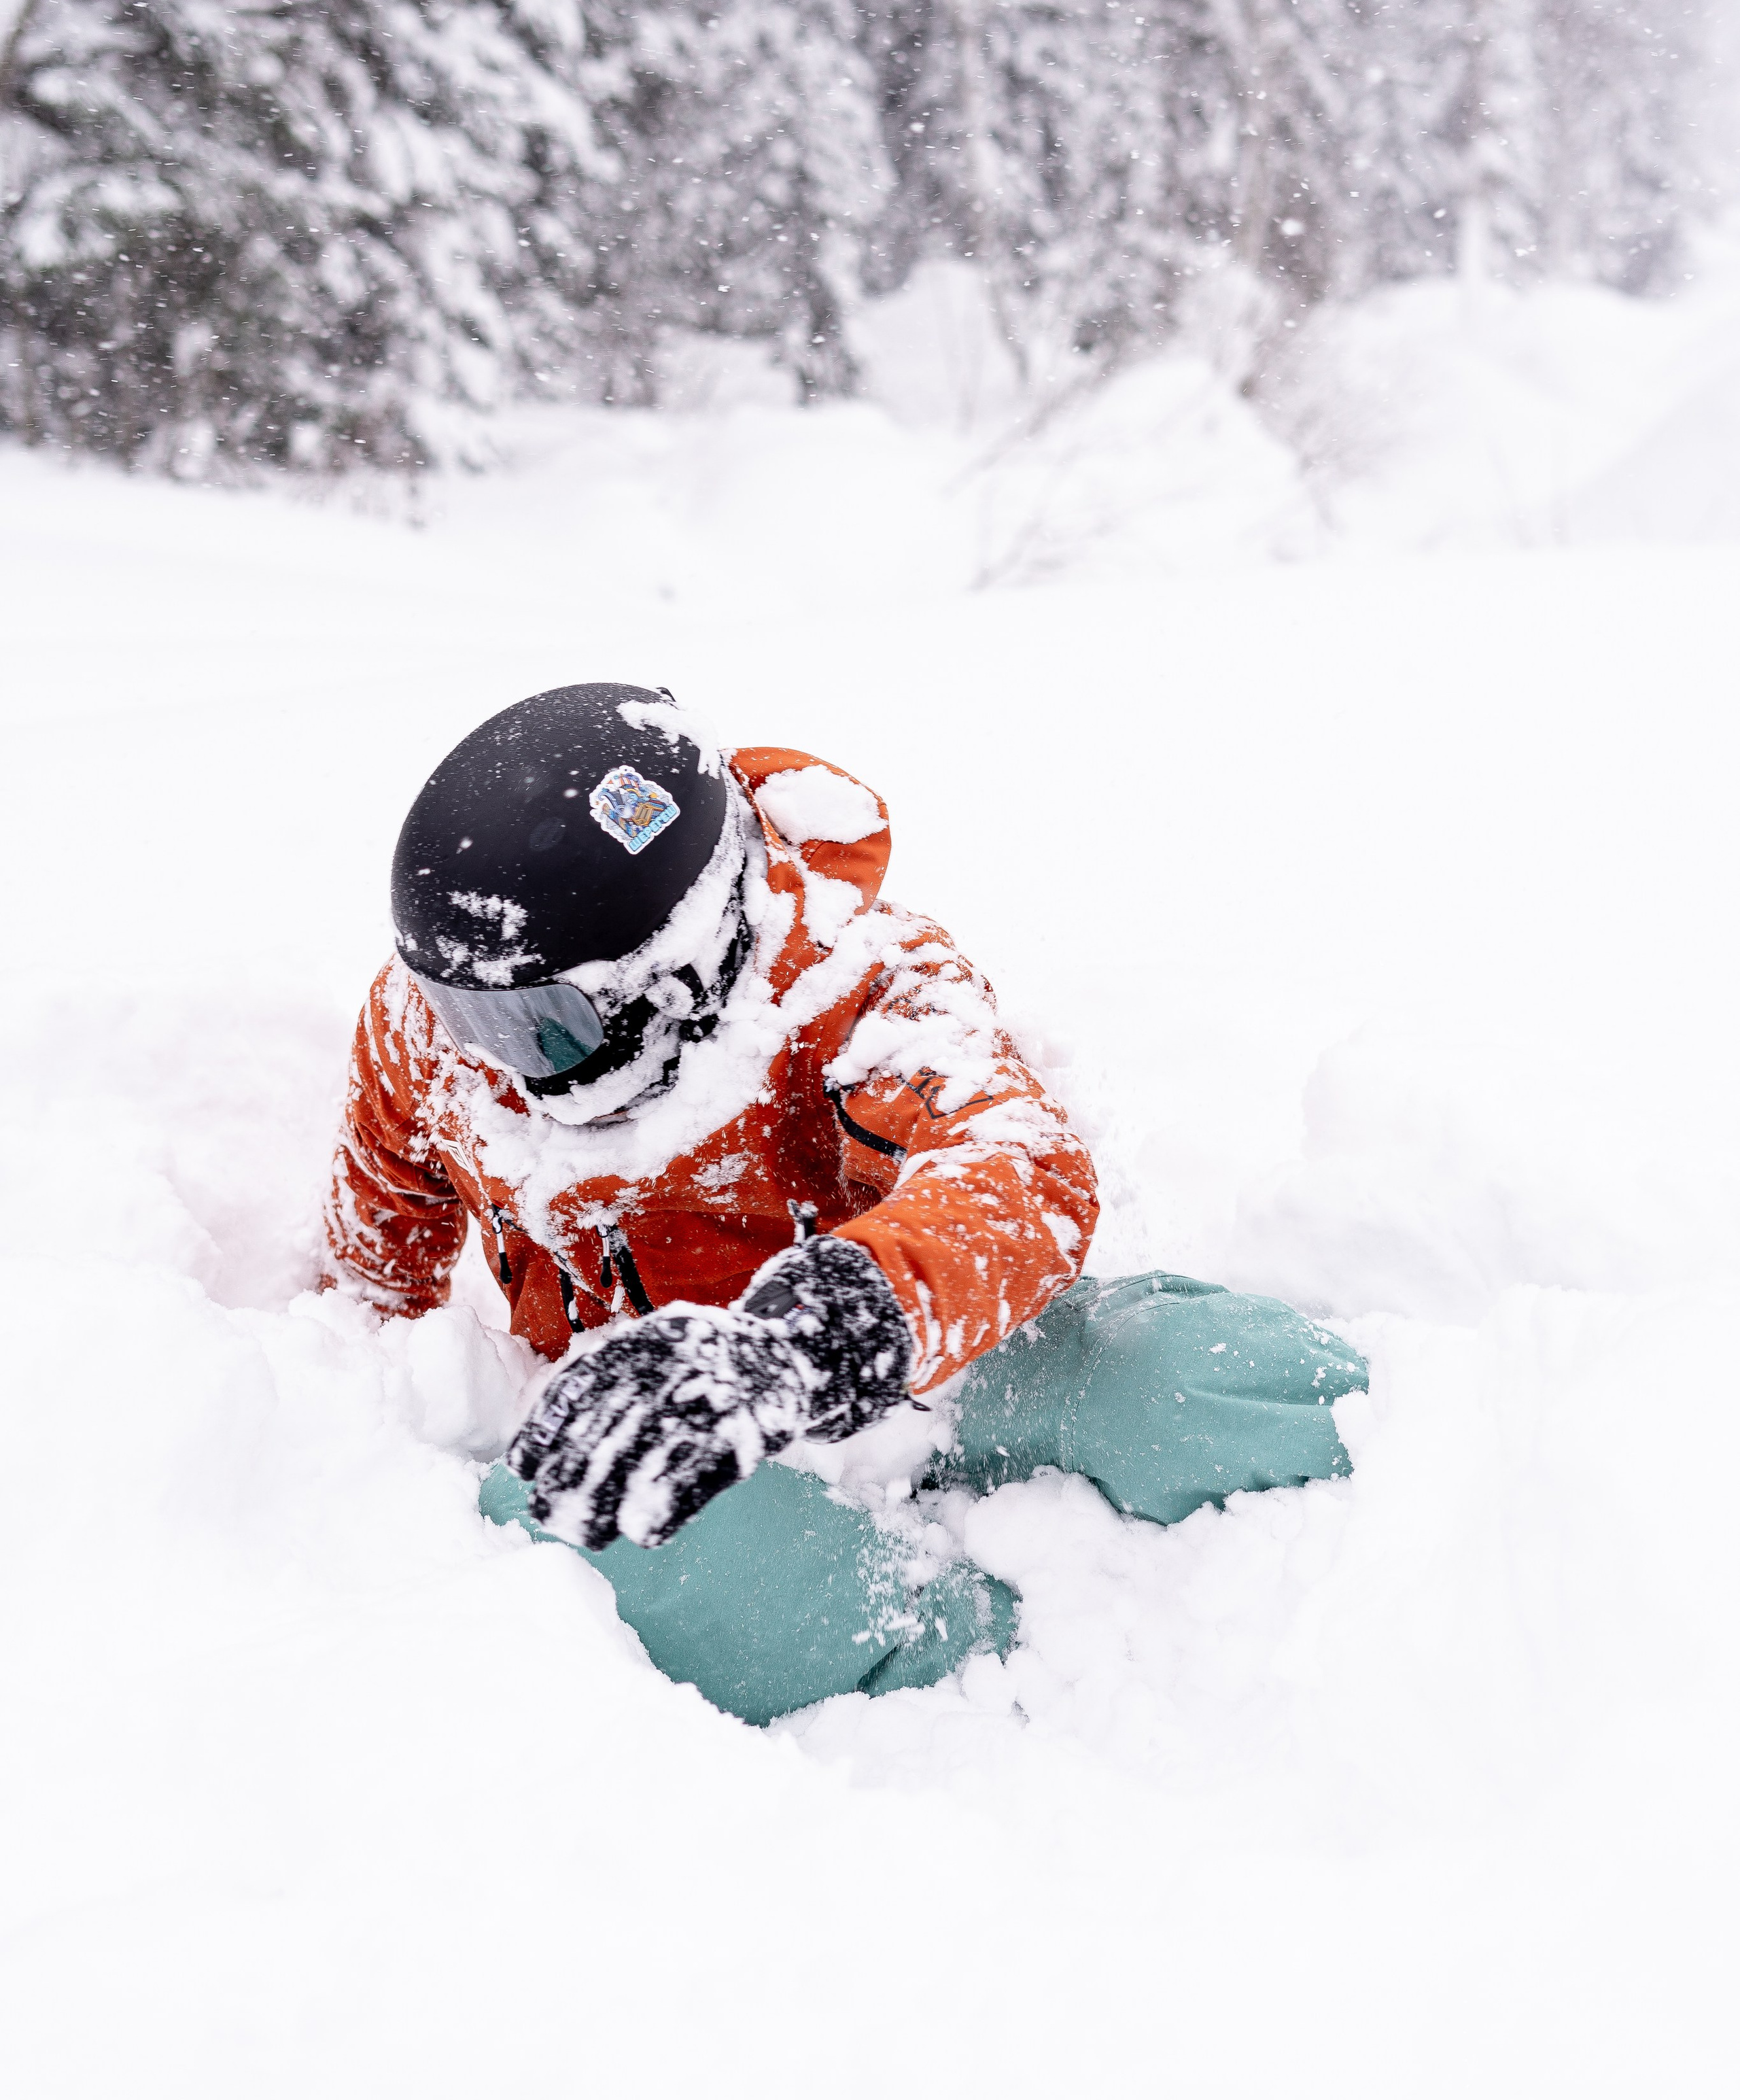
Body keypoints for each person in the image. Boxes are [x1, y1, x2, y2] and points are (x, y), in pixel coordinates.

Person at [326, 683, 1366, 1722]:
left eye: (540, 1024)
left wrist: (802, 1345)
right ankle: (963, 1656)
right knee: (562, 1532)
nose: (487, 1057)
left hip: (902, 1369)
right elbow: (379, 1247)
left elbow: (1017, 1170)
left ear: (677, 971)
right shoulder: (434, 1038)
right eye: (458, 1008)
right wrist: (392, 1399)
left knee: (1199, 1384)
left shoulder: (863, 977)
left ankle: (1418, 1472)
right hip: (666, 1435)